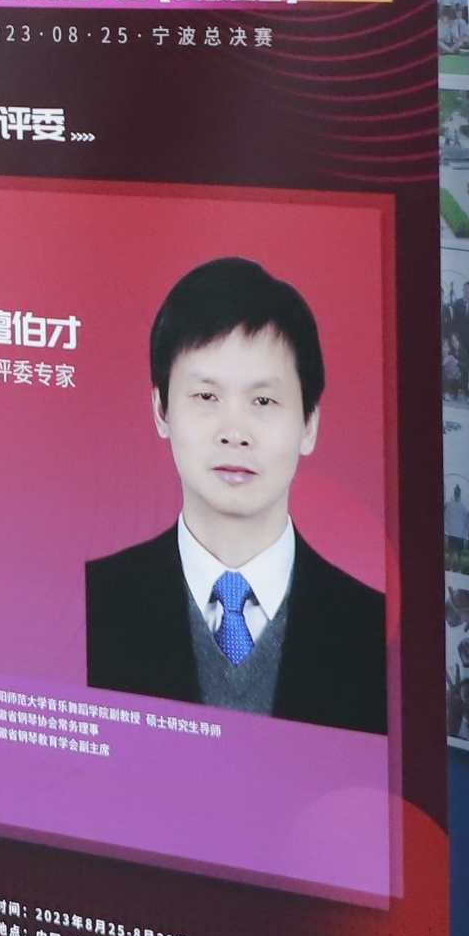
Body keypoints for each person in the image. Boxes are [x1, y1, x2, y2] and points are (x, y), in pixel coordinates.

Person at [81, 257, 387, 735]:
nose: (234, 432)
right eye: (206, 396)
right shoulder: (92, 601)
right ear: (161, 410)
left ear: (309, 424)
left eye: (263, 400)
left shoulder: (372, 627)